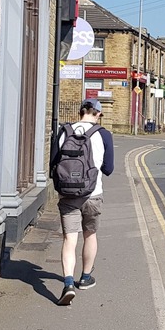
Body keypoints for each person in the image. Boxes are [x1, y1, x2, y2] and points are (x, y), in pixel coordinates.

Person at [55, 99, 114, 304]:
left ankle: (68, 283)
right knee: (90, 235)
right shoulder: (103, 134)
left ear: (81, 112)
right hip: (92, 193)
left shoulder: (64, 131)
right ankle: (85, 277)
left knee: (69, 239)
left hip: (68, 194)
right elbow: (108, 169)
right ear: (97, 114)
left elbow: (54, 162)